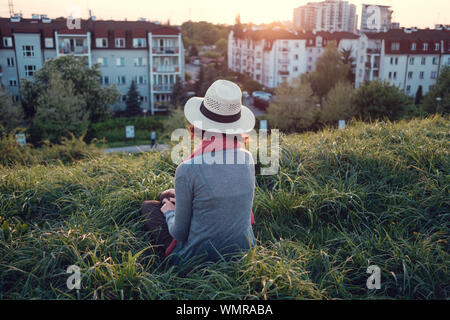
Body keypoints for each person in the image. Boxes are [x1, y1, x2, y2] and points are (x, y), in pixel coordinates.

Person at [141, 79, 256, 265]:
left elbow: (179, 232)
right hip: (242, 249)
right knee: (167, 195)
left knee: (149, 207)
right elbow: (225, 199)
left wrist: (170, 211)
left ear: (200, 126)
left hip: (197, 257)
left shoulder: (188, 169)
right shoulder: (247, 159)